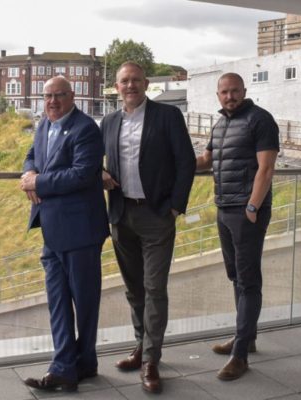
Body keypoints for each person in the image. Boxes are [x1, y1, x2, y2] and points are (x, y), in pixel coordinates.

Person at [101, 61, 196, 393]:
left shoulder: (167, 117)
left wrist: (175, 205)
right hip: (121, 213)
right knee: (134, 288)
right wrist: (99, 173)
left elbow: (186, 162)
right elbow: (93, 158)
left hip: (156, 215)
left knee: (155, 288)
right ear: (117, 87)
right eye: (124, 81)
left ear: (146, 84)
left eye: (136, 80)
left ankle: (151, 361)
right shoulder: (109, 122)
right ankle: (141, 344)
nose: (131, 86)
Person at [20, 76, 109, 392]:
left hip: (81, 230)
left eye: (59, 95)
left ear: (73, 96)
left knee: (85, 302)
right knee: (57, 302)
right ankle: (65, 366)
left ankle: (83, 363)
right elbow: (33, 154)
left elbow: (84, 174)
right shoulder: (44, 124)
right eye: (48, 96)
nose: (52, 101)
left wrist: (38, 184)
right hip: (52, 230)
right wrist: (29, 171)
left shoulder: (86, 129)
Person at [196, 72, 279, 381]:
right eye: (224, 92)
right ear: (218, 95)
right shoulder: (219, 125)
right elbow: (206, 160)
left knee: (248, 281)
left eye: (234, 91)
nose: (229, 96)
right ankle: (246, 336)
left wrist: (253, 207)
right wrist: (171, 162)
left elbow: (267, 168)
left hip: (246, 212)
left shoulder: (260, 120)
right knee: (235, 277)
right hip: (223, 208)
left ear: (244, 91)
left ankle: (240, 354)